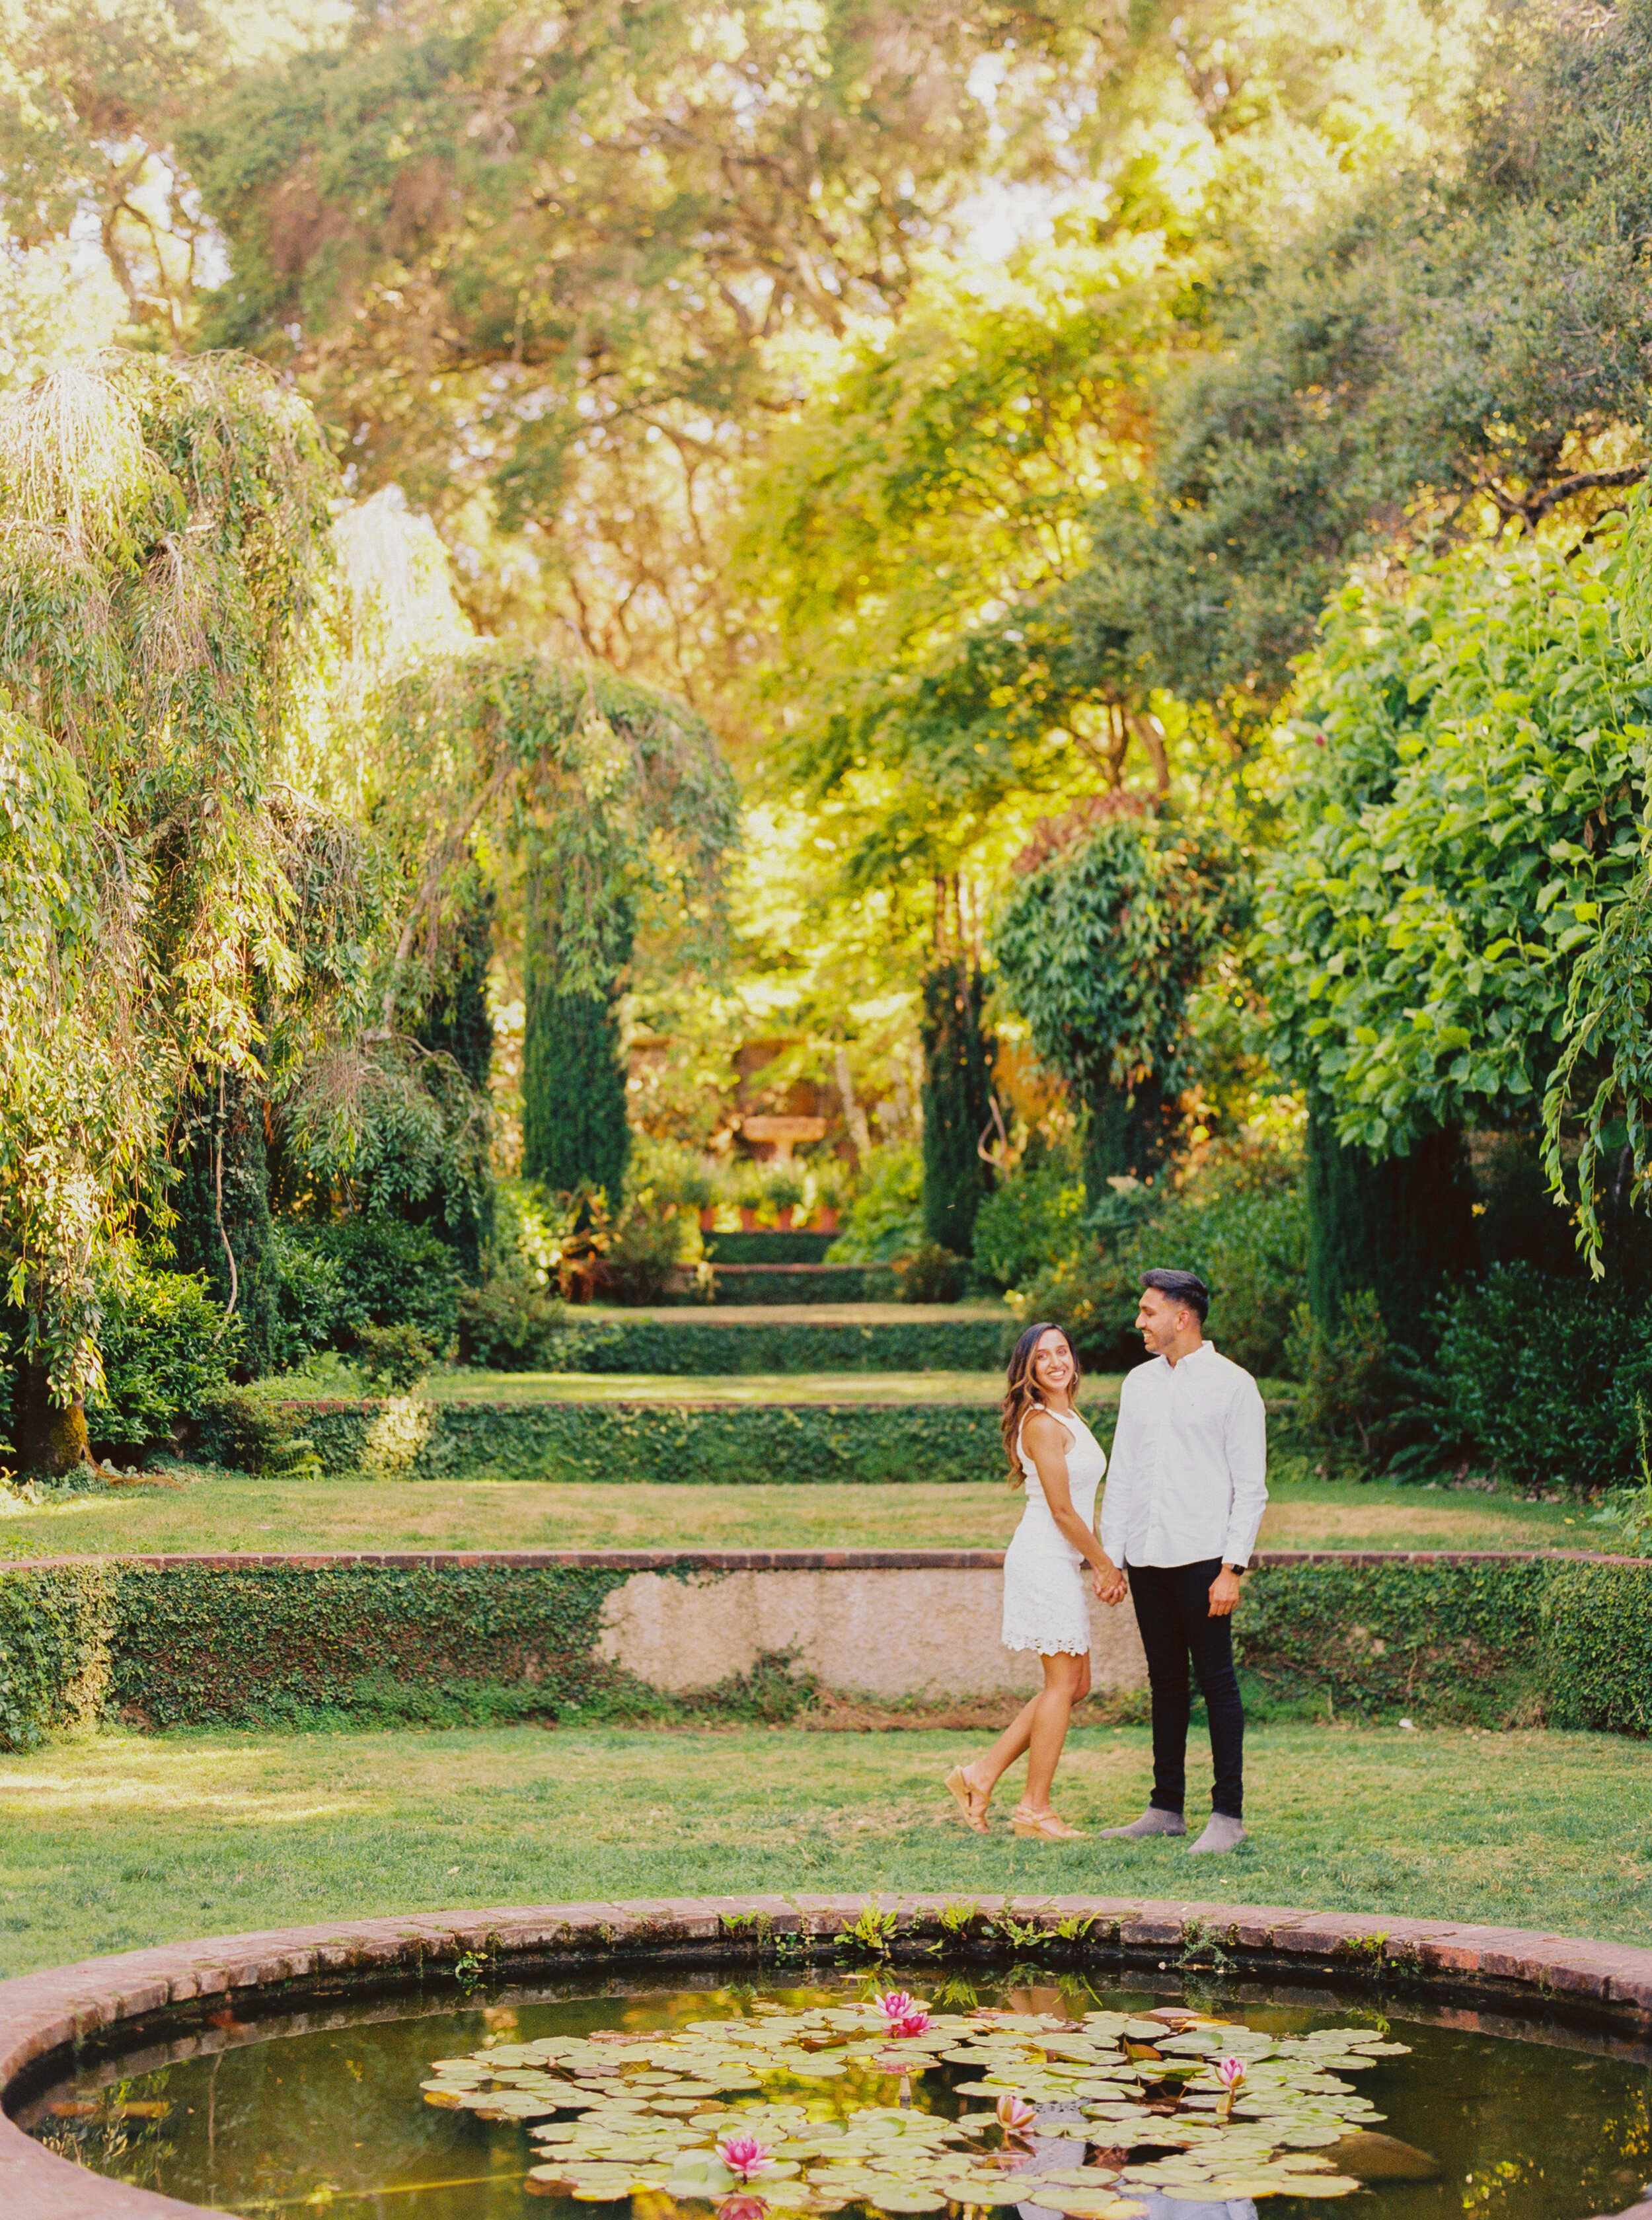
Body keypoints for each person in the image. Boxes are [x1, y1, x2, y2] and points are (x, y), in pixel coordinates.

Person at [1097, 1268, 1267, 1855]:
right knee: (1165, 1682)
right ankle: (1165, 1807)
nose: (1139, 1322)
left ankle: (1228, 1816)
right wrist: (1110, 1558)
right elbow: (1122, 1476)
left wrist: (1232, 1569)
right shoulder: (1138, 1384)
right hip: (1146, 1557)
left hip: (1204, 1561)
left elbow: (1251, 1488)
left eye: (1148, 1312)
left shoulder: (1234, 1386)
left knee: (1216, 1681)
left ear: (1182, 1316)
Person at [944, 1321, 1125, 1840]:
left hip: (1060, 1560)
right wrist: (1106, 1566)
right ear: (1028, 1369)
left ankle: (979, 1776)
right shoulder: (1042, 1423)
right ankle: (1034, 1810)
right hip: (1044, 1559)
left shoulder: (1070, 1415)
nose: (1055, 1361)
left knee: (1075, 1685)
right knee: (1062, 1684)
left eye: (1062, 1351)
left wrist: (1098, 1559)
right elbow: (1065, 1512)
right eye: (1042, 1356)